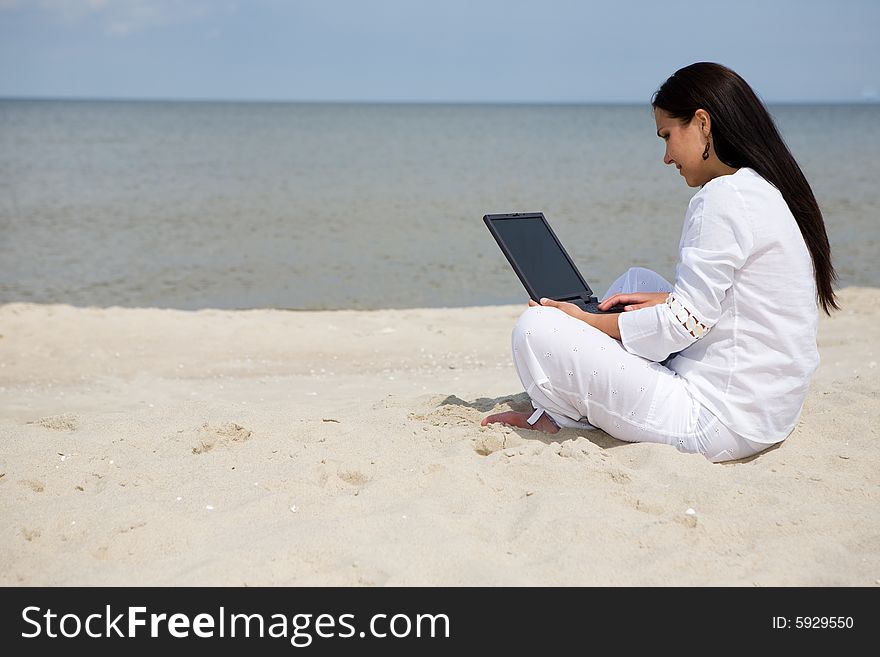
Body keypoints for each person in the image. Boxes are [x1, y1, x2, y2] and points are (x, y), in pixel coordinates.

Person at [481, 62, 839, 462]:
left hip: (719, 420)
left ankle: (564, 418)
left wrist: (591, 323)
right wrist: (661, 306)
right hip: (767, 412)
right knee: (636, 282)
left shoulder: (720, 198)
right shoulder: (762, 188)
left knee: (536, 326)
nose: (666, 157)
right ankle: (596, 374)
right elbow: (734, 303)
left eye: (668, 136)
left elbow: (685, 324)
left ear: (702, 124)